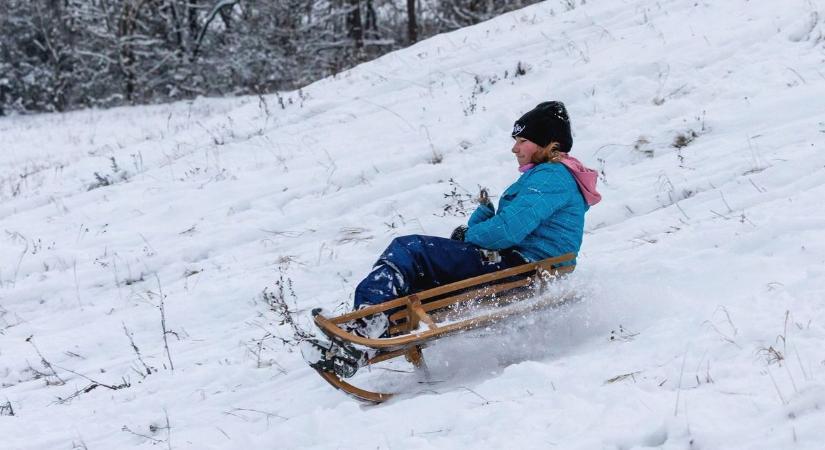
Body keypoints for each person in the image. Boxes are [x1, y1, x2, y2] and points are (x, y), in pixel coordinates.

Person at [303, 101, 601, 378]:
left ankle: (365, 328)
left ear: (551, 144)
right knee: (419, 280)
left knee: (410, 250)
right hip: (521, 267)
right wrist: (479, 219)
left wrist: (469, 234)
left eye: (522, 141)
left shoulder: (551, 177)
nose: (515, 148)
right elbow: (506, 227)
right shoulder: (548, 177)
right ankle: (358, 346)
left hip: (520, 267)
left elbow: (505, 232)